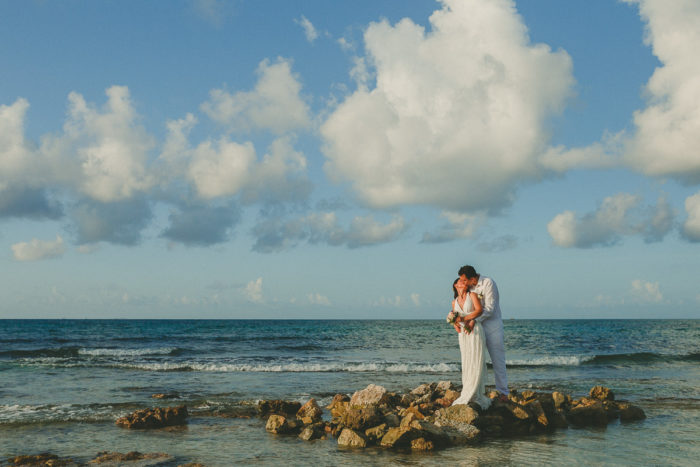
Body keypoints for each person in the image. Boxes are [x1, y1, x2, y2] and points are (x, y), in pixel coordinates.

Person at [458, 265, 509, 401]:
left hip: (492, 326)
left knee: (497, 359)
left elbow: (490, 308)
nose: (462, 282)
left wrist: (474, 319)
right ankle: (475, 390)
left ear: (472, 278)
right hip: (475, 328)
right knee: (475, 359)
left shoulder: (488, 283)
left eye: (464, 280)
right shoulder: (468, 287)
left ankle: (503, 392)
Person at [450, 276, 491, 409]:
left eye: (465, 281)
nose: (463, 282)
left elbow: (479, 310)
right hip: (463, 334)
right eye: (460, 281)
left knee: (476, 359)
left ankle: (475, 392)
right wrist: (455, 323)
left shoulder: (472, 295)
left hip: (475, 331)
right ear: (456, 285)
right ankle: (467, 389)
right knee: (467, 360)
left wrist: (468, 319)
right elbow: (455, 320)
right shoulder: (454, 302)